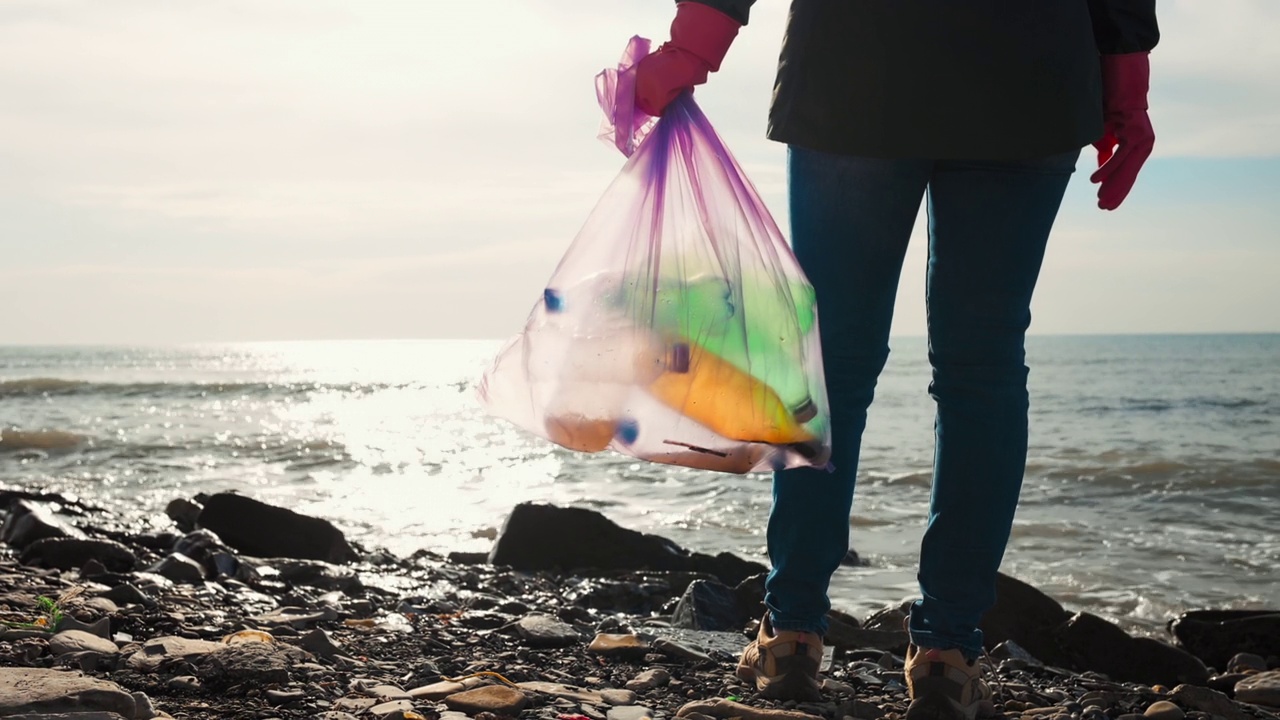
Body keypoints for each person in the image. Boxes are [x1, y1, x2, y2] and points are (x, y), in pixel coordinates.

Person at [633, 1, 1160, 718]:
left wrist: (691, 49)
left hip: (858, 68)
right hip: (1029, 76)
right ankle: (948, 652)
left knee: (835, 368)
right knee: (983, 370)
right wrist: (1126, 82)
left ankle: (791, 634)